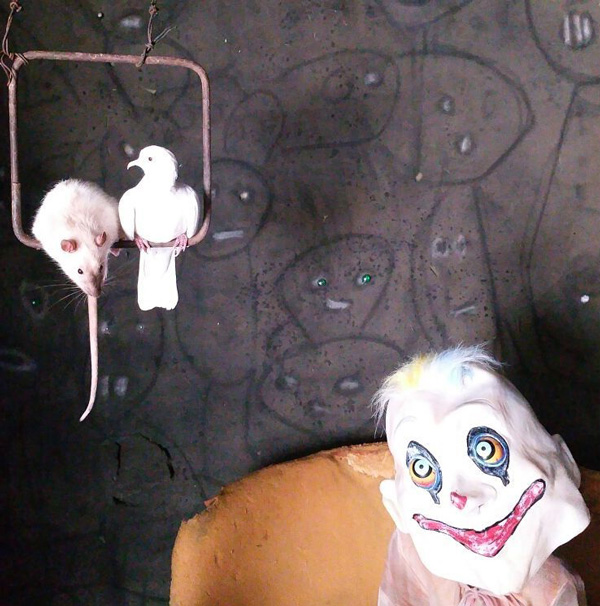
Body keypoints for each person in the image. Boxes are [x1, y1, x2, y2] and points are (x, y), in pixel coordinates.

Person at [372, 345, 590, 605]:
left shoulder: (554, 589)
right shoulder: (409, 555)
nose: (462, 499)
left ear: (565, 461)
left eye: (486, 449)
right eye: (424, 469)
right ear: (395, 507)